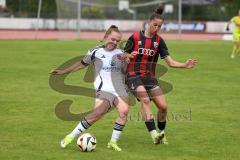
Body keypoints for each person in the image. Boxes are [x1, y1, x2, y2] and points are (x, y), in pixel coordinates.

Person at [124, 6, 197, 145]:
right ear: (148, 22)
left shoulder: (159, 41)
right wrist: (127, 56)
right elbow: (122, 55)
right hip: (133, 76)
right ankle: (154, 135)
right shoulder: (134, 37)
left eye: (159, 26)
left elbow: (169, 62)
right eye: (154, 25)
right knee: (145, 101)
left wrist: (184, 65)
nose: (156, 28)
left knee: (163, 107)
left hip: (149, 78)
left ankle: (162, 133)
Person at [51, 25, 129, 151]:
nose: (114, 43)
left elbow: (125, 71)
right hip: (103, 89)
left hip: (119, 88)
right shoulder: (95, 51)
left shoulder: (121, 54)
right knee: (97, 114)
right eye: (112, 39)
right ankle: (70, 137)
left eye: (117, 41)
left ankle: (113, 142)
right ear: (105, 37)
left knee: (124, 111)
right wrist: (63, 72)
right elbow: (81, 64)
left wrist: (128, 61)